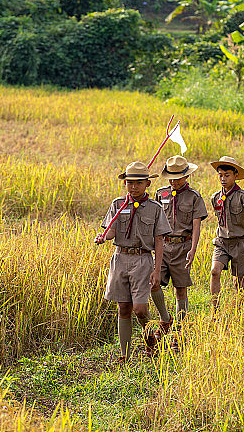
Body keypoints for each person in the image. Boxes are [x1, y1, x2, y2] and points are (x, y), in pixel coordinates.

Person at [95, 161, 172, 362]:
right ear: (125, 184)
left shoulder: (154, 208)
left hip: (142, 260)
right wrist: (103, 237)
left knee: (140, 309)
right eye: (130, 182)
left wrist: (157, 270)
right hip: (120, 259)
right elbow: (110, 230)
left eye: (138, 183)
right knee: (124, 308)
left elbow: (159, 240)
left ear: (147, 184)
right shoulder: (117, 205)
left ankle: (150, 340)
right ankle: (124, 355)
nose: (133, 187)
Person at [153, 155, 208, 350]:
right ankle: (165, 319)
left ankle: (180, 332)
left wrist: (193, 250)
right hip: (162, 246)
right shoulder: (160, 193)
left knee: (180, 290)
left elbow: (196, 227)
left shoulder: (194, 197)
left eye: (178, 177)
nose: (174, 181)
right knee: (153, 283)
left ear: (186, 176)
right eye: (171, 177)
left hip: (183, 247)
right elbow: (153, 220)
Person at [208, 156, 244, 309]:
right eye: (220, 175)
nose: (223, 179)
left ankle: (240, 309)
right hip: (222, 242)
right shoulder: (215, 197)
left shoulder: (243, 196)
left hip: (239, 242)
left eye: (227, 175)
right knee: (214, 272)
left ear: (236, 176)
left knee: (238, 279)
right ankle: (215, 309)